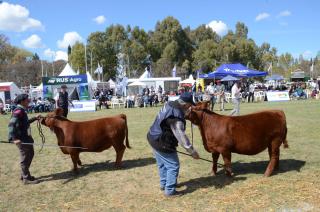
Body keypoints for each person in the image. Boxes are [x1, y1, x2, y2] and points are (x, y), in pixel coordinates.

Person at [147, 92, 200, 197]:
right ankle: (170, 191)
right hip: (162, 141)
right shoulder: (176, 117)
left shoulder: (170, 104)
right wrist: (192, 152)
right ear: (185, 104)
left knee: (162, 164)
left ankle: (164, 184)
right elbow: (181, 137)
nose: (190, 107)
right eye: (190, 105)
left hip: (152, 136)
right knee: (173, 165)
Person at [8, 94, 41, 184]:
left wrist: (35, 118)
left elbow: (25, 123)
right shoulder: (18, 111)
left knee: (30, 154)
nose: (29, 101)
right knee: (25, 157)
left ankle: (25, 174)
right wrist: (15, 139)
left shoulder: (22, 110)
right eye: (27, 100)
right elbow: (11, 124)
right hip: (21, 139)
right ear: (22, 101)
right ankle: (26, 178)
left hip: (26, 137)